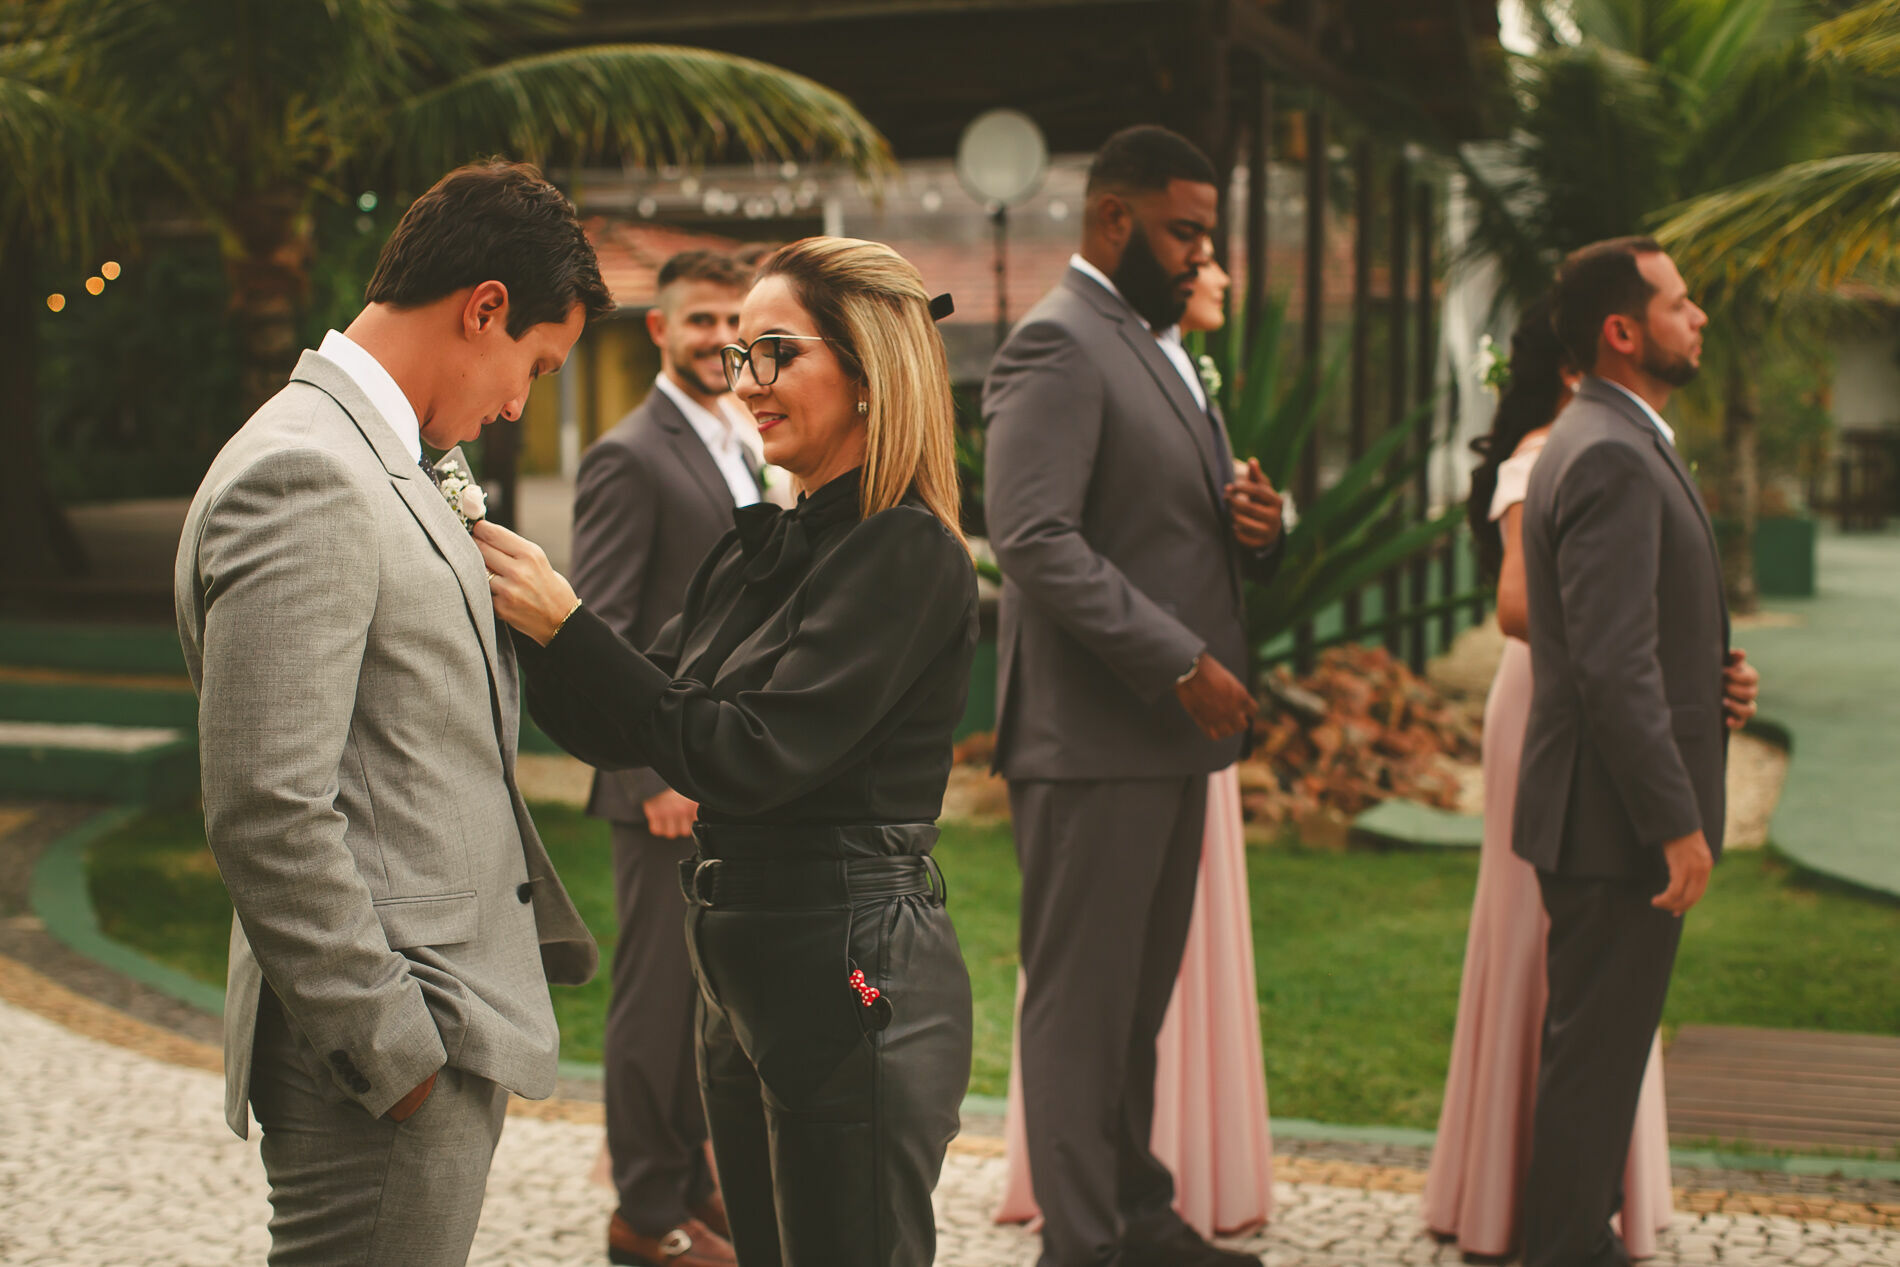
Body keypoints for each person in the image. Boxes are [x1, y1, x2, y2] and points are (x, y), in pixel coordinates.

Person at [474, 237, 978, 1267]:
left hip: (848, 966)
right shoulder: (769, 544)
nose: (746, 381)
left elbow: (748, 752)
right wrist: (527, 625)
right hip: (745, 970)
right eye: (742, 353)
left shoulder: (907, 550)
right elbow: (635, 722)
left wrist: (568, 626)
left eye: (774, 353)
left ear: (870, 370)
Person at [172, 160, 611, 1265]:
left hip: (440, 1020)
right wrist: (396, 1054)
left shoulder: (388, 462)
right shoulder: (306, 473)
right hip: (387, 1049)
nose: (520, 403)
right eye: (535, 366)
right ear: (485, 308)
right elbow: (266, 804)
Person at [983, 125, 1285, 1267]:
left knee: (1136, 1007)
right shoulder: (1057, 344)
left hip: (1157, 744)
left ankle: (1135, 1214)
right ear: (1114, 220)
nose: (1202, 254)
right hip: (1091, 739)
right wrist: (1178, 660)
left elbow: (1160, 520)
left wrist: (1262, 524)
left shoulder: (1154, 344)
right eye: (1184, 230)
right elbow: (1032, 537)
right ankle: (1083, 1242)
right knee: (1080, 1009)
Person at [1515, 237, 1760, 1267]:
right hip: (1614, 820)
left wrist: (1716, 677)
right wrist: (1677, 824)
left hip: (1597, 808)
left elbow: (1628, 635)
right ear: (1623, 331)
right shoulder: (1612, 448)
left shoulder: (1612, 434)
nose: (1697, 315)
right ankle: (1568, 1248)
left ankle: (1577, 1238)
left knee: (1597, 1057)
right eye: (1677, 302)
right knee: (1594, 1061)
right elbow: (1610, 669)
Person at [1424, 296, 1673, 1259]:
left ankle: (1568, 1185)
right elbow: (1517, 603)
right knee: (1542, 934)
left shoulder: (1606, 444)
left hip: (1576, 693)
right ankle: (1525, 1197)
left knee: (1583, 940)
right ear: (1577, 366)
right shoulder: (1543, 452)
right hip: (1547, 706)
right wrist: (1626, 630)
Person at [572, 248, 759, 1267]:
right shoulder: (628, 454)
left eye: (737, 320)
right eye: (702, 321)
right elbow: (596, 631)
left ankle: (690, 1178)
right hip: (659, 781)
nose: (723, 340)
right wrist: (651, 774)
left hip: (720, 766)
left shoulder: (736, 438)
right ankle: (644, 1212)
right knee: (654, 1001)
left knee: (707, 994)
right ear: (658, 327)